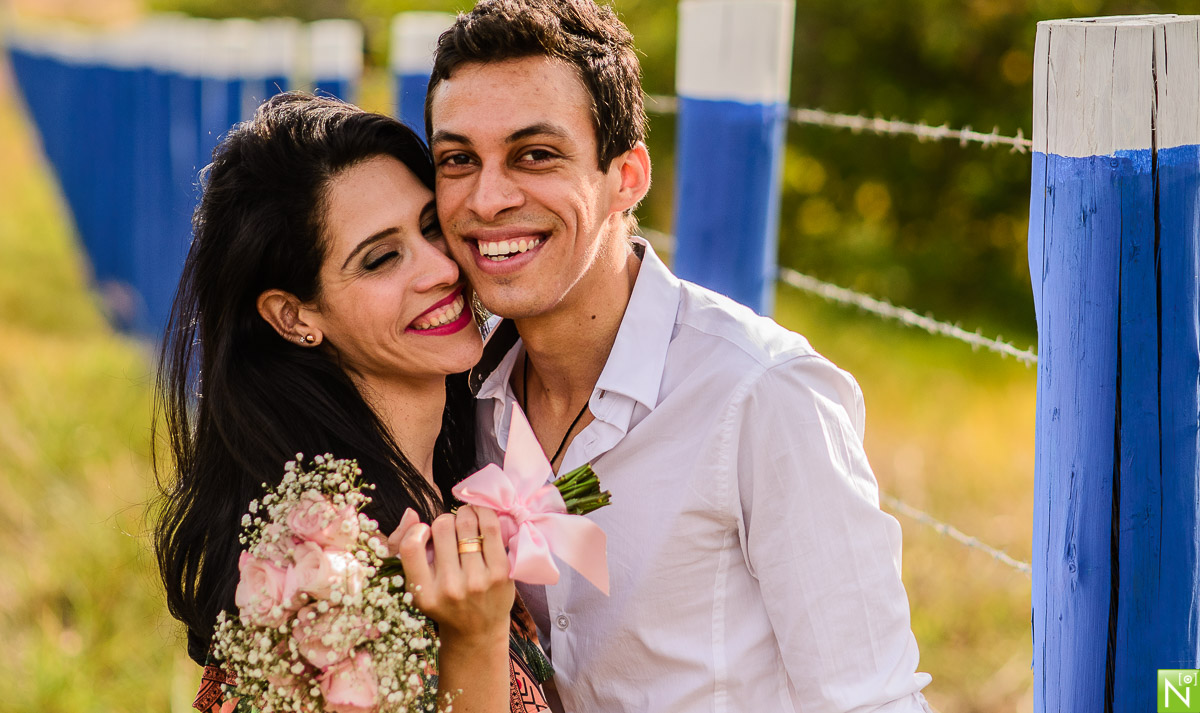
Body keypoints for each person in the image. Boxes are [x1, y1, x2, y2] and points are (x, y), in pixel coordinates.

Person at [424, 1, 934, 711]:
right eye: (457, 160)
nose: (488, 197)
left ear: (627, 177)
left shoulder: (762, 394)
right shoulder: (461, 399)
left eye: (534, 154)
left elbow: (870, 699)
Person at [151, 92, 551, 713]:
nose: (441, 270)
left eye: (429, 227)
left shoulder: (455, 473)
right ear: (294, 316)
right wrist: (473, 639)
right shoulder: (319, 571)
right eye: (381, 258)